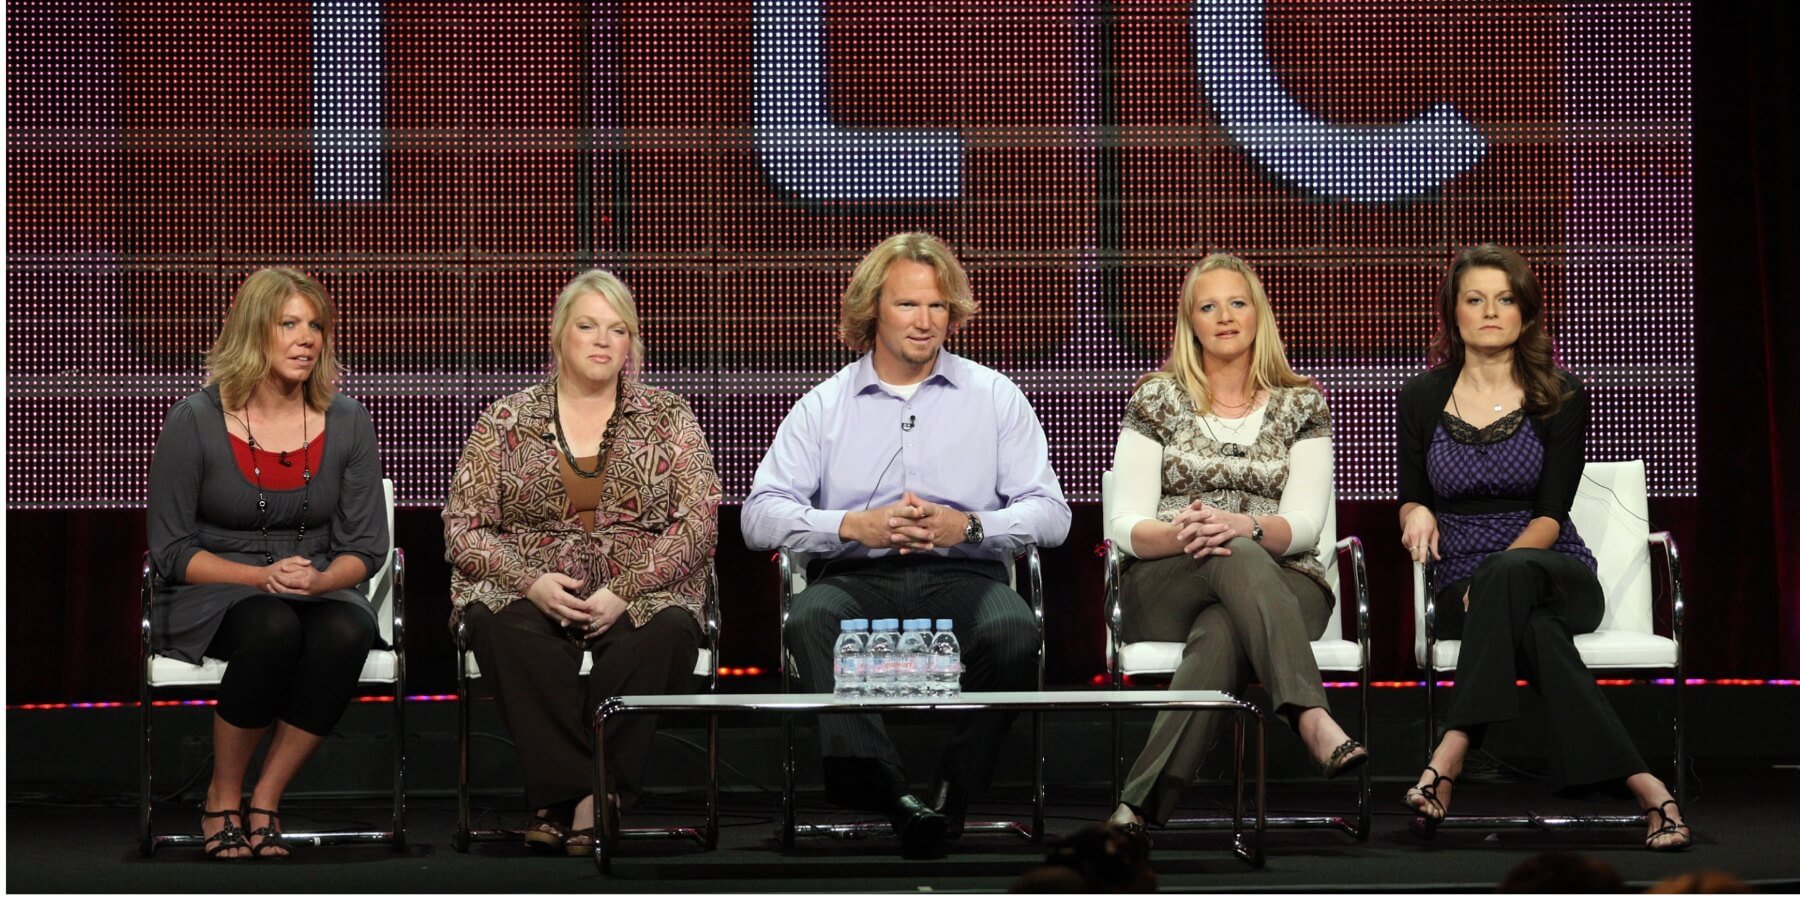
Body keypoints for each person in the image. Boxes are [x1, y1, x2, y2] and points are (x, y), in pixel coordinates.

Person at [742, 232, 1071, 857]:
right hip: (856, 580)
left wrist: (969, 526)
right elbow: (759, 516)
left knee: (1014, 631)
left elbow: (1051, 515)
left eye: (938, 307)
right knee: (810, 617)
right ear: (872, 310)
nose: (926, 323)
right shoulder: (824, 405)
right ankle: (895, 797)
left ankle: (951, 789)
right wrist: (850, 525)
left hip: (965, 578)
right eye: (908, 306)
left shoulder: (994, 396)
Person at [1398, 243, 1692, 851]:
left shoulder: (1560, 394)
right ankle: (1649, 790)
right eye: (1474, 299)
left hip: (1557, 571)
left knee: (1511, 580)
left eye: (1505, 300)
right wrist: (1417, 508)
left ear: (1526, 314)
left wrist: (1504, 566)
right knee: (1539, 637)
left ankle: (1449, 754)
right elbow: (1411, 494)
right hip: (1462, 583)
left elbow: (1552, 515)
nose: (1489, 312)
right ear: (1453, 311)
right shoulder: (1421, 396)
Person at [443, 269, 721, 856]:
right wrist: (530, 582)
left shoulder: (668, 417)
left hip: (643, 589)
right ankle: (589, 795)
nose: (603, 340)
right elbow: (462, 528)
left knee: (661, 633)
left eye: (618, 330)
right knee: (503, 628)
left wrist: (626, 587)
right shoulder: (506, 421)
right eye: (588, 326)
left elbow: (699, 522)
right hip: (531, 586)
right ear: (559, 335)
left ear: (631, 344)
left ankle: (564, 802)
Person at [1102, 253, 1367, 834]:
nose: (1225, 316)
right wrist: (1188, 531)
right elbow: (1124, 523)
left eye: (1237, 302)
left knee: (1225, 622)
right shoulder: (1156, 399)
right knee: (1232, 553)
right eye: (1208, 306)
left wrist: (1241, 526)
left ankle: (1138, 807)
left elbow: (1305, 526)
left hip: (1288, 584)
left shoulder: (1303, 404)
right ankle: (1309, 714)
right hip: (1169, 577)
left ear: (1259, 314)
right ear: (1189, 322)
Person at [147, 267, 389, 859]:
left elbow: (366, 545)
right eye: (289, 324)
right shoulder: (194, 420)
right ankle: (221, 798)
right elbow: (172, 549)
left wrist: (325, 579)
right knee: (271, 626)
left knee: (349, 627)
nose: (307, 338)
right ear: (255, 331)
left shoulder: (348, 420)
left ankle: (267, 801)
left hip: (313, 585)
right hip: (214, 586)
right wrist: (259, 578)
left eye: (316, 326)